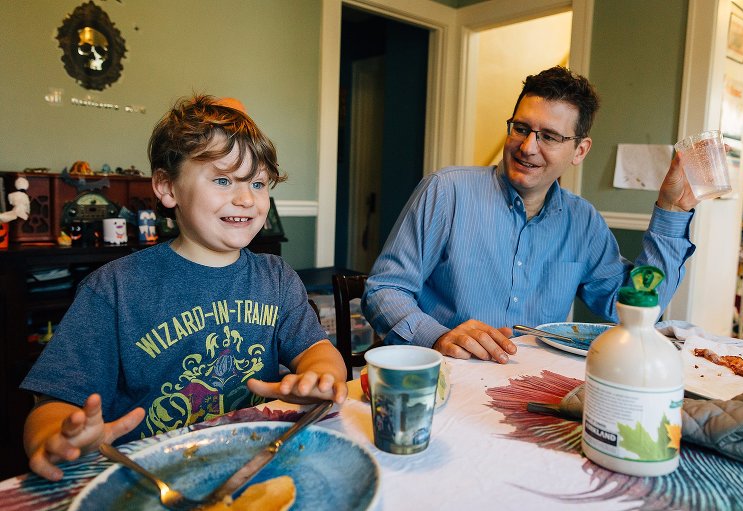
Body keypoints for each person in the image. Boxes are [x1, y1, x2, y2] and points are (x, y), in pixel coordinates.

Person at [21, 95, 348, 481]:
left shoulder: (276, 277)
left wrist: (319, 376)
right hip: (150, 477)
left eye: (258, 183)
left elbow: (319, 351)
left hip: (254, 462)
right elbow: (51, 405)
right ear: (167, 186)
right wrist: (56, 437)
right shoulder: (114, 288)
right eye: (224, 179)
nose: (246, 198)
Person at [362, 66, 697, 364]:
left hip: (533, 385)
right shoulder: (446, 191)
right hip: (449, 375)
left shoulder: (583, 222)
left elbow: (634, 307)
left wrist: (671, 211)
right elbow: (384, 290)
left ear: (579, 151)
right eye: (521, 128)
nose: (528, 147)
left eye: (548, 136)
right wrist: (436, 335)